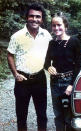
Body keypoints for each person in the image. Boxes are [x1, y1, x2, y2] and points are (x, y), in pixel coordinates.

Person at [7, 3, 52, 131]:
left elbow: (52, 52)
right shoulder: (17, 36)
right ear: (27, 17)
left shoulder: (46, 35)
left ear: (42, 19)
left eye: (38, 16)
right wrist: (15, 74)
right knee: (21, 115)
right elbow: (10, 55)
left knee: (42, 114)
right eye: (31, 16)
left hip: (40, 78)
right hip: (22, 80)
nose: (34, 19)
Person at [44, 12, 81, 131]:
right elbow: (46, 63)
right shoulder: (52, 43)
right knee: (58, 114)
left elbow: (78, 65)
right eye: (54, 25)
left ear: (65, 26)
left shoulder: (74, 41)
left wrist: (71, 85)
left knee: (69, 115)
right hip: (55, 82)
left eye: (59, 25)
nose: (56, 28)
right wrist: (49, 67)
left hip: (69, 82)